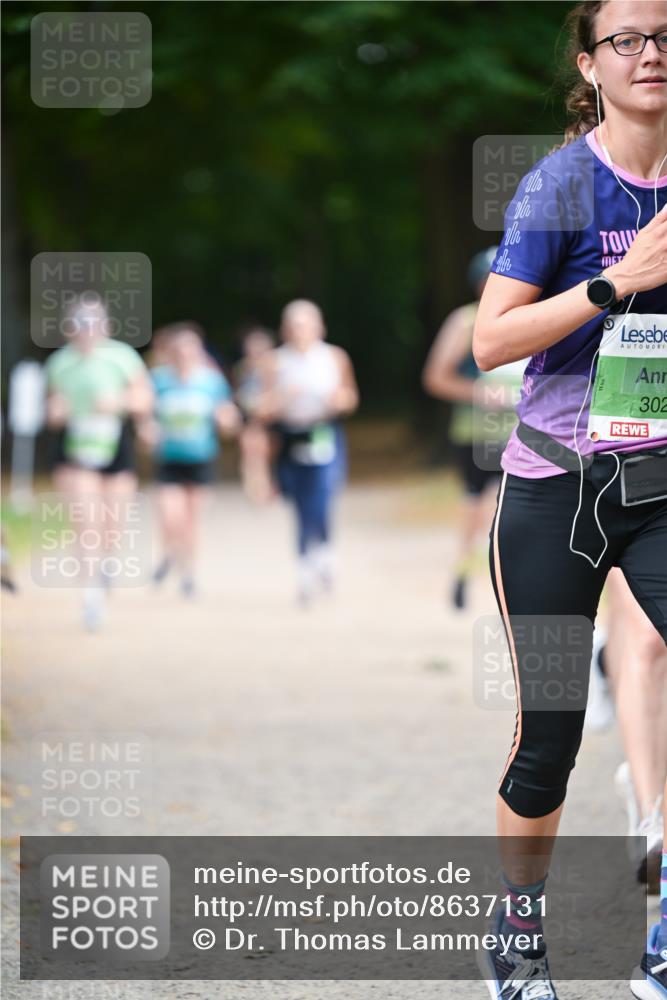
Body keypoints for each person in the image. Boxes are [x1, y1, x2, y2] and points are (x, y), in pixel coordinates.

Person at [471, 2, 667, 997]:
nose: (650, 55)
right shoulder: (560, 186)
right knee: (548, 727)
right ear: (590, 65)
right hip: (557, 484)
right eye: (625, 39)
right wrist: (616, 282)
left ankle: (665, 916)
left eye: (666, 35)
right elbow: (490, 342)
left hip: (664, 483)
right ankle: (516, 928)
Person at [422, 248, 525, 610]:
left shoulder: (534, 316)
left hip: (525, 434)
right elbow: (436, 378)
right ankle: (465, 570)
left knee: (514, 511)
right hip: (478, 433)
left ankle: (511, 584)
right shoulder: (466, 321)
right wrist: (481, 393)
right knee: (477, 506)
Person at [44, 294, 153, 630]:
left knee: (112, 523)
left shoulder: (122, 357)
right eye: (80, 323)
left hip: (114, 444)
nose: (87, 330)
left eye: (93, 323)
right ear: (69, 328)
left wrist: (119, 401)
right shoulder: (59, 363)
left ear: (105, 326)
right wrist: (56, 412)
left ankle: (106, 565)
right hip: (75, 449)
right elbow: (51, 410)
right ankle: (90, 595)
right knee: (84, 523)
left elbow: (144, 399)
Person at [258, 299, 358, 606]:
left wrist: (335, 399)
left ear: (319, 326)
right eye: (294, 325)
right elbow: (261, 408)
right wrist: (282, 397)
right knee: (299, 503)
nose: (300, 330)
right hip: (290, 438)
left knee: (323, 496)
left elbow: (350, 398)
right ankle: (305, 563)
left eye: (305, 324)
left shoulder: (334, 357)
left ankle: (322, 556)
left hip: (324, 433)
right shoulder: (275, 362)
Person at [144, 322, 240, 597]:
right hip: (169, 459)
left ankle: (188, 574)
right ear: (171, 353)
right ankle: (170, 553)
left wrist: (227, 420)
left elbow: (228, 417)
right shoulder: (159, 381)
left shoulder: (211, 381)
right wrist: (147, 430)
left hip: (201, 459)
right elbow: (146, 416)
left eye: (191, 351)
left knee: (191, 520)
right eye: (180, 351)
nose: (185, 357)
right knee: (170, 515)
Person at [232, 325, 276, 505]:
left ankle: (268, 485)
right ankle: (255, 487)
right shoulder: (241, 368)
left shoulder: (275, 366)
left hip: (270, 417)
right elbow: (236, 391)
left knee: (268, 452)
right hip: (249, 417)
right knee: (251, 452)